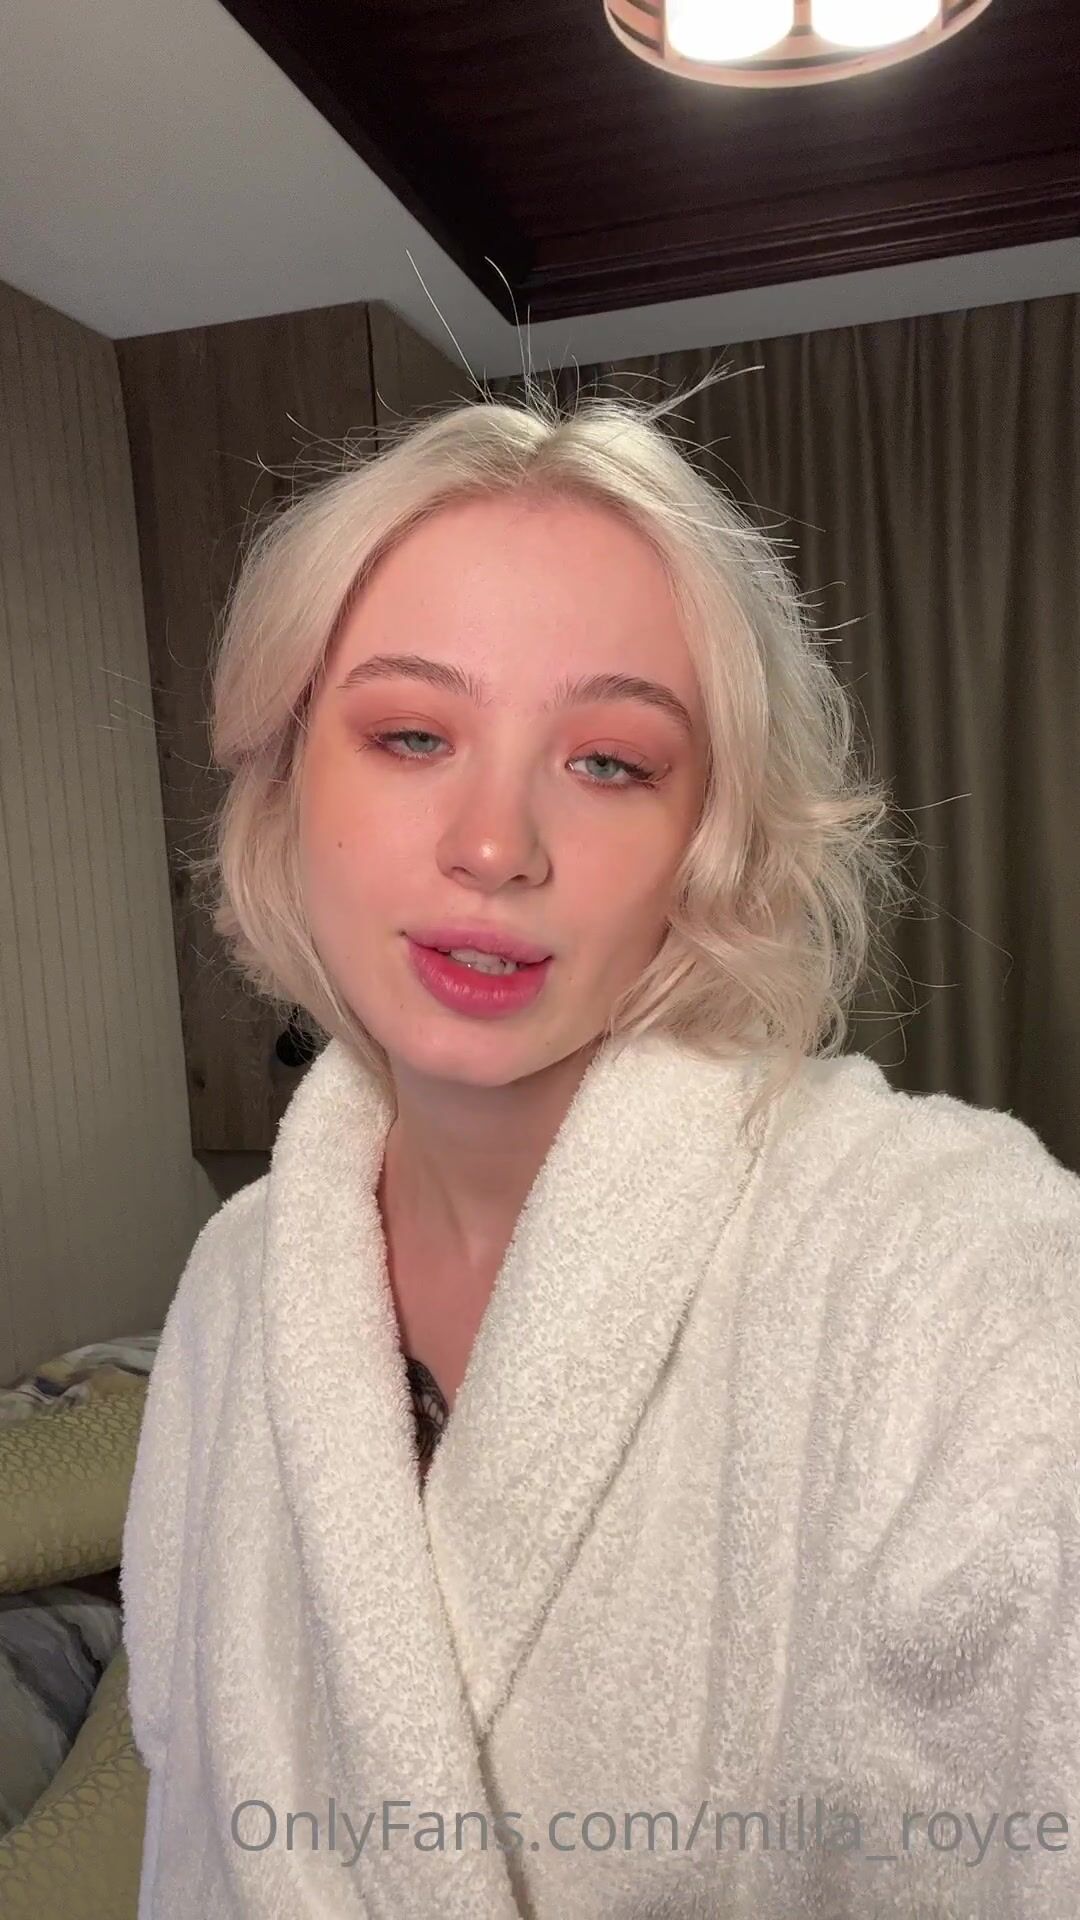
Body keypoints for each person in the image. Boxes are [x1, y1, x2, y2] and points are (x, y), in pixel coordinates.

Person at [121, 381, 1080, 1920]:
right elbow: (190, 1817)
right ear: (288, 783)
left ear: (716, 841)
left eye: (612, 762)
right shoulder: (238, 1287)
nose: (495, 846)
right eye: (412, 734)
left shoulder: (949, 1267)